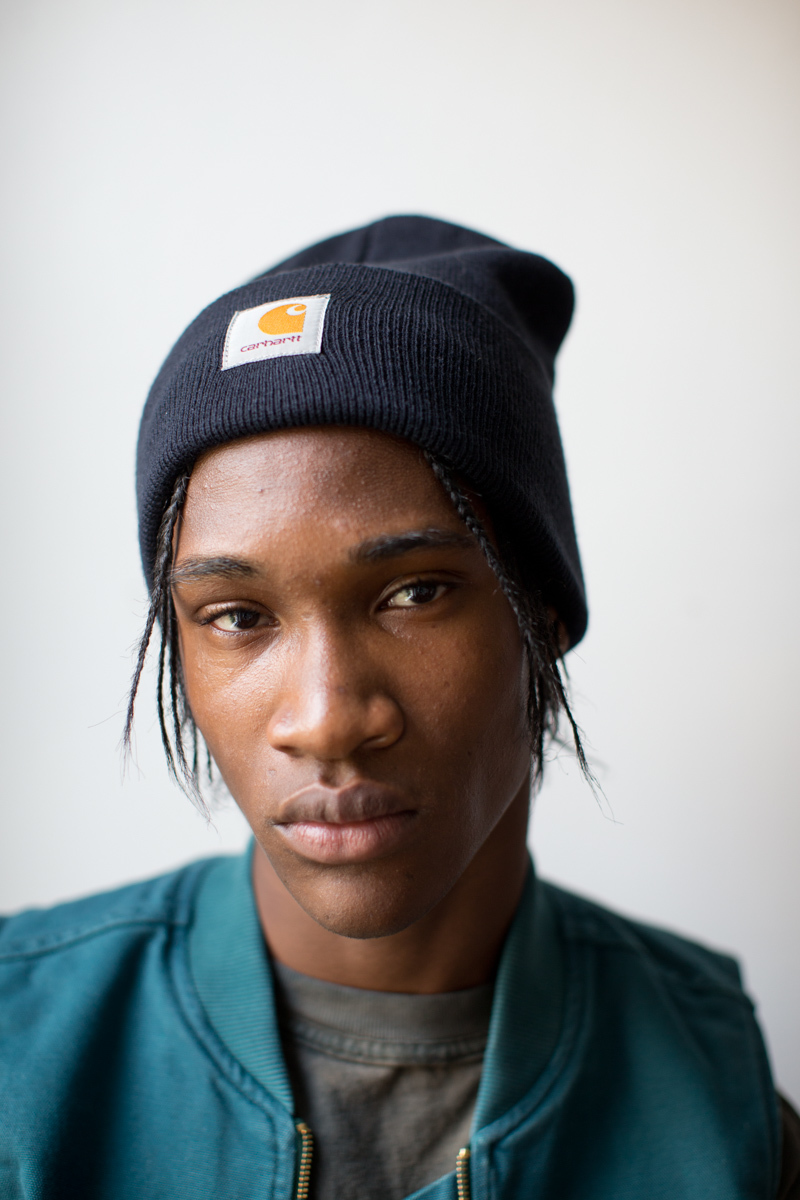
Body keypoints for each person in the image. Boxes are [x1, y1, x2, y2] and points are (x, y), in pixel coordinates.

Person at [0, 215, 797, 1200]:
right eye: (237, 616)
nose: (327, 720)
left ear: (544, 612)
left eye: (414, 593)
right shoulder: (22, 1045)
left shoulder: (718, 1106)